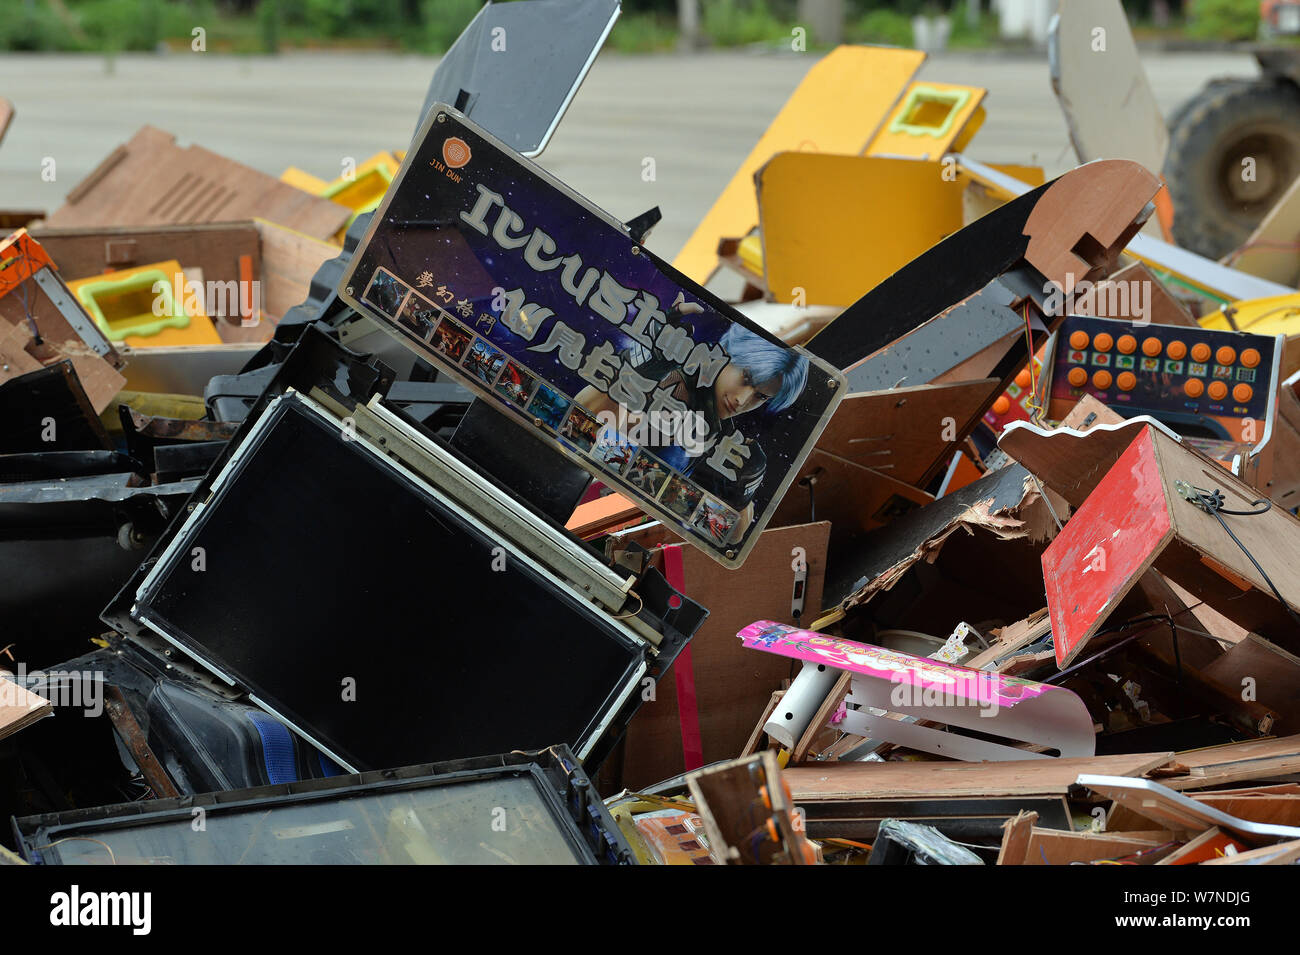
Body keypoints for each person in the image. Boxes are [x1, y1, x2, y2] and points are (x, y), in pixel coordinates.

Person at [576, 315, 808, 537]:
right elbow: (575, 417)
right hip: (578, 496)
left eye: (760, 396)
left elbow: (731, 534)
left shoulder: (726, 442)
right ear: (726, 353)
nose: (742, 400)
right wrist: (633, 382)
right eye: (746, 378)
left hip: (615, 524)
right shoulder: (668, 379)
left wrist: (739, 499)